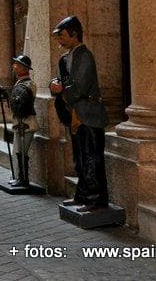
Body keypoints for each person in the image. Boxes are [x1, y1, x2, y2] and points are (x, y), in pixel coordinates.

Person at [49, 15, 108, 212]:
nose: (60, 39)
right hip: (74, 114)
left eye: (62, 35)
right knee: (80, 158)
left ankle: (96, 200)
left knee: (92, 158)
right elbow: (58, 81)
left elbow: (80, 87)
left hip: (88, 115)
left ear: (74, 34)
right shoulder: (65, 58)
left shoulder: (85, 56)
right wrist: (53, 85)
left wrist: (61, 89)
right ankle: (82, 195)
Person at [0, 53, 37, 188]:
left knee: (21, 152)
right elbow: (16, 101)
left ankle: (23, 179)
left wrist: (13, 98)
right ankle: (18, 176)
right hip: (18, 123)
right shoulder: (19, 83)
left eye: (17, 64)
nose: (14, 66)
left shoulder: (29, 84)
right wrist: (7, 96)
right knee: (17, 151)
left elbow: (24, 103)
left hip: (26, 123)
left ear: (24, 68)